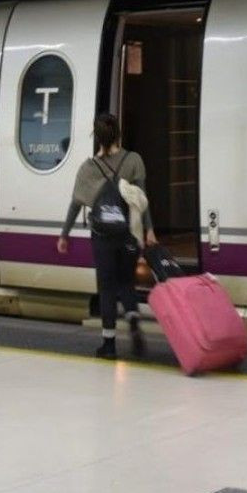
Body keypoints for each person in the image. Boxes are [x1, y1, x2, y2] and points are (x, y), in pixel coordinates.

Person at [56, 113, 157, 359]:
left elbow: (75, 204)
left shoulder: (88, 168)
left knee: (107, 287)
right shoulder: (134, 160)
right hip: (129, 236)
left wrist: (64, 235)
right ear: (118, 135)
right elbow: (142, 200)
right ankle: (133, 317)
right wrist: (150, 230)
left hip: (103, 237)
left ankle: (109, 345)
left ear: (96, 138)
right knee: (126, 282)